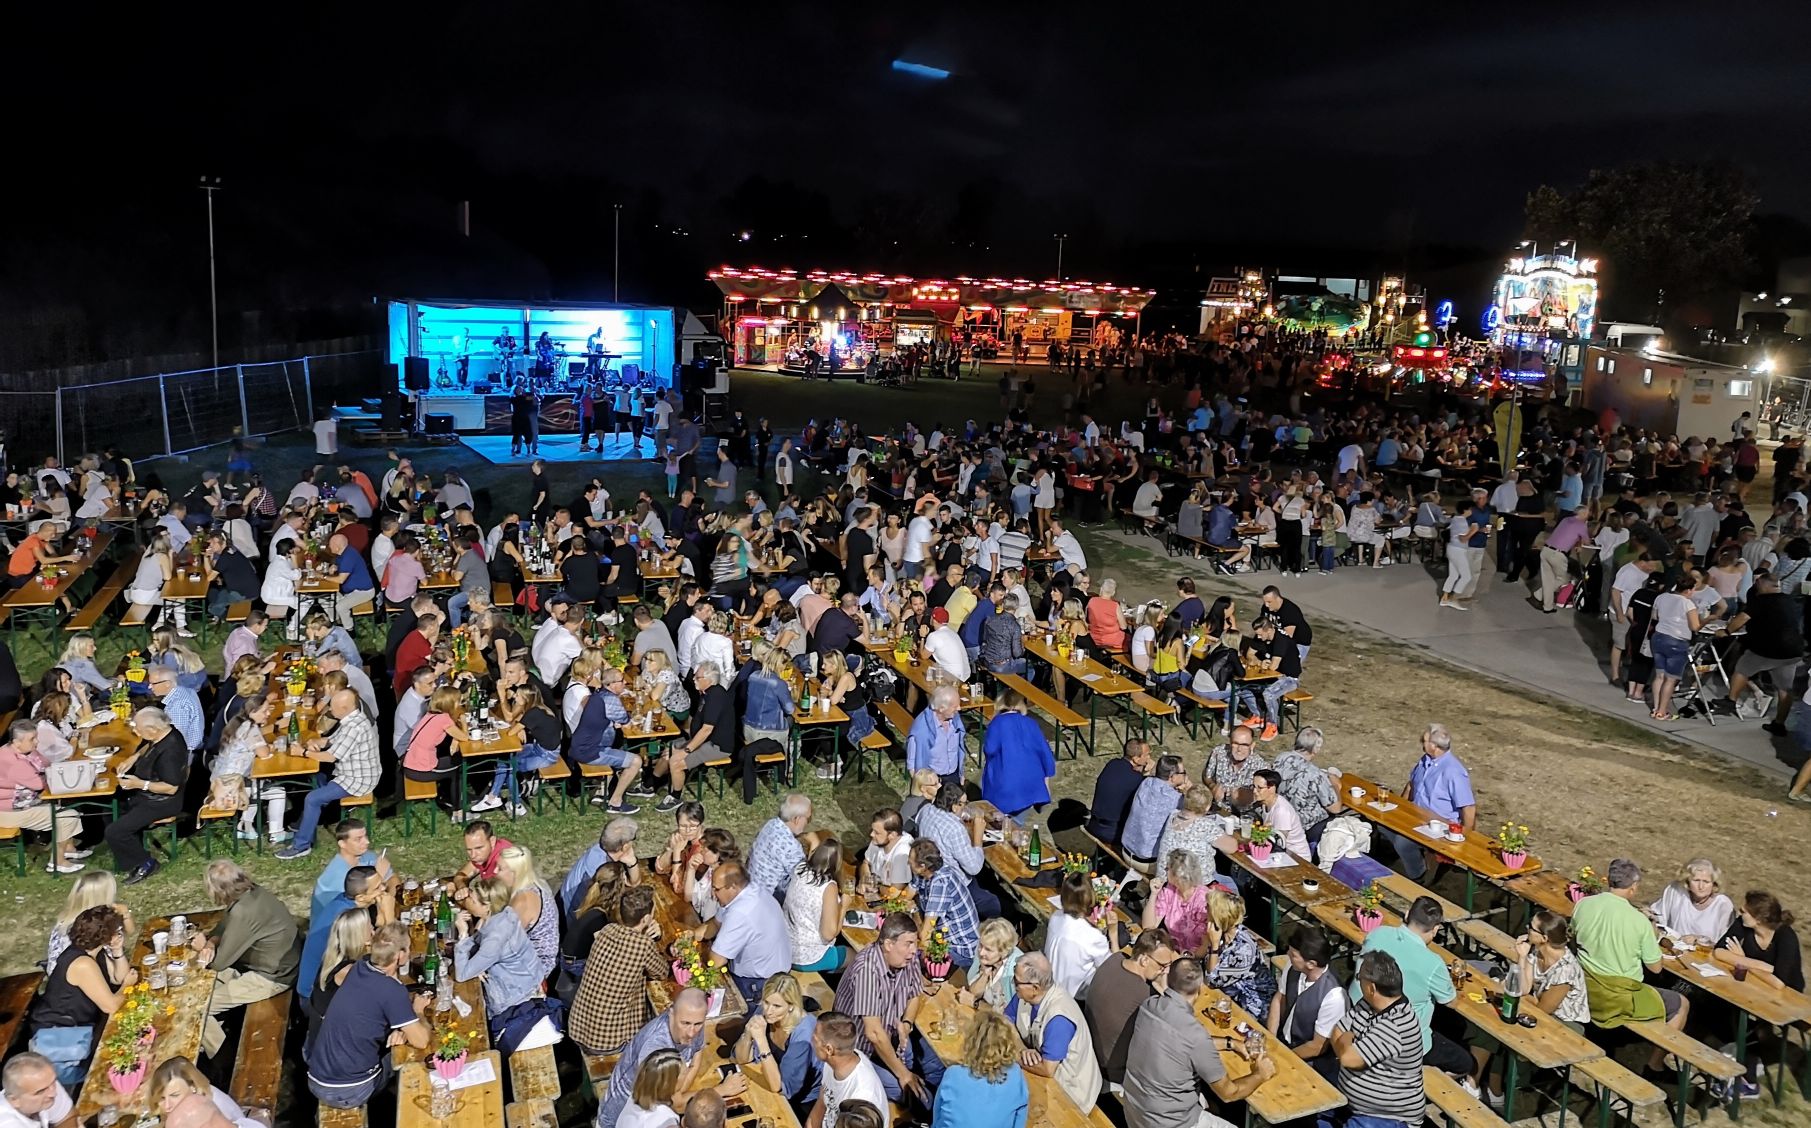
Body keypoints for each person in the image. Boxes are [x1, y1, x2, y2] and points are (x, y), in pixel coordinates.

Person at [1122, 958, 1277, 1128]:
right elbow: (1229, 1093)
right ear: (1200, 988)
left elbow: (1185, 1043)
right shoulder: (1195, 1035)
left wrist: (1230, 1042)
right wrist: (1260, 1074)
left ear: (1168, 979)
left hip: (1135, 1109)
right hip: (1170, 1123)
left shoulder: (1150, 1006)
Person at [306, 923, 428, 1107]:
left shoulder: (360, 966)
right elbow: (421, 1041)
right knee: (408, 1057)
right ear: (400, 955)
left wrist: (400, 1027)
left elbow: (373, 1004)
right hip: (351, 1090)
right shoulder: (391, 991)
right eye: (408, 947)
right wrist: (418, 1011)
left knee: (397, 1038)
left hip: (317, 1078)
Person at [831, 914, 944, 1107]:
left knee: (937, 1069)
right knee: (914, 1096)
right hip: (857, 1051)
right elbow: (873, 1033)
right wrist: (904, 1075)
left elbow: (915, 994)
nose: (913, 950)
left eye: (914, 943)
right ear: (889, 944)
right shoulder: (867, 970)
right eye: (908, 944)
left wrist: (907, 1023)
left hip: (891, 1035)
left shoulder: (907, 959)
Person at [1348, 895, 1468, 1076]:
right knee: (1465, 1063)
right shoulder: (1433, 963)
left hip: (1358, 1019)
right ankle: (1418, 1080)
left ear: (1406, 915)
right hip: (1405, 1044)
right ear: (1435, 930)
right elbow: (1450, 1002)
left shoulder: (1377, 933)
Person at [192, 861, 303, 1057]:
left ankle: (222, 1059)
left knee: (199, 1007)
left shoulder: (243, 912)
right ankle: (214, 1035)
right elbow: (225, 925)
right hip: (279, 963)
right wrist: (211, 942)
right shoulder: (251, 893)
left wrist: (202, 947)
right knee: (202, 988)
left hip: (273, 977)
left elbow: (219, 963)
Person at [599, 989, 746, 1128]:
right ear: (671, 1014)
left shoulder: (691, 1023)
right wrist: (720, 1091)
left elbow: (696, 1058)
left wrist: (681, 1091)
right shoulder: (656, 1049)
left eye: (698, 1024)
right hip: (620, 1118)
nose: (691, 1032)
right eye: (686, 1023)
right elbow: (676, 1103)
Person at [27, 906, 135, 1086]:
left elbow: (118, 976)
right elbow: (111, 1006)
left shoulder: (92, 952)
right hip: (61, 1037)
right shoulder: (82, 964)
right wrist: (126, 987)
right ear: (105, 936)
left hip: (80, 1027)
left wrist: (117, 951)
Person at [1713, 890, 1803, 1097]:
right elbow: (1719, 951)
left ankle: (1748, 1080)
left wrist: (1742, 960)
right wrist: (1758, 965)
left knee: (1748, 1023)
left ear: (1759, 919)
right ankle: (1741, 1063)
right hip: (1755, 986)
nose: (1740, 912)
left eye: (1744, 911)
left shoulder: (1785, 937)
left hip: (1787, 996)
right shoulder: (1743, 924)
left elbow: (1779, 982)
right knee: (1725, 1009)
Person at [274, 689, 382, 859]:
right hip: (353, 772)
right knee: (317, 779)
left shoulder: (353, 728)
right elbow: (333, 741)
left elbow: (330, 757)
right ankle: (303, 824)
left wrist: (302, 753)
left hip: (357, 779)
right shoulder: (353, 718)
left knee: (312, 798)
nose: (329, 710)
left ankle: (301, 845)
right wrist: (316, 741)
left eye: (332, 707)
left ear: (344, 708)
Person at [1329, 950, 1426, 1127]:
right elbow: (1335, 1031)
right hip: (1352, 1104)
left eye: (1359, 978)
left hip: (1387, 1117)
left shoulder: (1396, 1024)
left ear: (1371, 988)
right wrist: (1347, 1045)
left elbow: (1348, 1059)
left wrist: (1347, 1039)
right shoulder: (1368, 1004)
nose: (1357, 981)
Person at [569, 885, 670, 1054]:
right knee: (658, 1029)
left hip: (578, 1027)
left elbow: (626, 948)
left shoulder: (607, 930)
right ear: (645, 919)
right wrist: (656, 939)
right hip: (609, 1041)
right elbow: (661, 972)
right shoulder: (643, 945)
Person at [105, 706, 190, 884]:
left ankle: (145, 862)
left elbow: (171, 787)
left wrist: (139, 784)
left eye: (139, 729)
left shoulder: (171, 752)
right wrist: (134, 757)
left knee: (115, 831)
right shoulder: (166, 732)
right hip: (147, 794)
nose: (135, 732)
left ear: (153, 729)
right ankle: (134, 845)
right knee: (108, 808)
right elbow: (149, 745)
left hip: (161, 801)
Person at [1384, 724, 1474, 881]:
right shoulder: (1425, 760)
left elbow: (1468, 806)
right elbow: (1412, 783)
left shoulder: (1454, 772)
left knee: (1402, 843)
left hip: (1438, 825)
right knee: (1382, 823)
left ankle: (1418, 875)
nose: (1421, 742)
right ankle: (1415, 858)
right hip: (1415, 815)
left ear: (1434, 746)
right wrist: (1399, 807)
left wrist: (1465, 835)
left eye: (1423, 740)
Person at [693, 860, 792, 1003]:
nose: (713, 894)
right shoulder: (748, 891)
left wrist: (693, 955)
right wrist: (692, 936)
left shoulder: (741, 912)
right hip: (771, 971)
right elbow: (715, 923)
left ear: (733, 887)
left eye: (716, 889)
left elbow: (716, 961)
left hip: (760, 983)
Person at [453, 874, 545, 1027]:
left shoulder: (495, 939)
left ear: (487, 907)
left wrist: (463, 935)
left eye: (473, 901)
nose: (468, 902)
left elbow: (462, 975)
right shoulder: (505, 912)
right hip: (528, 979)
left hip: (513, 998)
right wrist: (480, 962)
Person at [0, 720, 86, 874]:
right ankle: (57, 862)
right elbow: (41, 784)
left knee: (68, 803)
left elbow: (46, 763)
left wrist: (43, 765)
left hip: (23, 804)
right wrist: (50, 773)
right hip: (9, 812)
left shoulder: (22, 751)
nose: (37, 742)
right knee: (68, 817)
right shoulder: (12, 763)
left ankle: (68, 848)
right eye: (32, 739)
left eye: (36, 737)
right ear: (16, 742)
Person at [1264, 929, 1345, 1081]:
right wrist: (1271, 1038)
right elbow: (1279, 999)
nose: (1288, 954)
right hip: (1283, 1042)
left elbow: (1317, 1046)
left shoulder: (1334, 996)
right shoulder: (1293, 967)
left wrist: (1284, 1058)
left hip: (1310, 1061)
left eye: (1293, 955)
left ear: (1311, 964)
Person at [930, 1008, 1029, 1128]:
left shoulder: (952, 1075)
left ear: (971, 1042)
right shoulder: (1016, 1075)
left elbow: (937, 1119)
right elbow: (1019, 1121)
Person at [737, 973, 821, 1104]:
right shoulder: (764, 1012)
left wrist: (761, 1041)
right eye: (766, 1002)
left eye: (777, 1006)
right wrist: (748, 1033)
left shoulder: (803, 1034)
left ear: (791, 1006)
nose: (769, 1011)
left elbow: (781, 1087)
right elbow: (742, 1059)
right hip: (771, 1076)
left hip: (801, 1099)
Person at [805, 1010, 892, 1128]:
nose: (811, 1041)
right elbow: (821, 1104)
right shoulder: (836, 1061)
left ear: (829, 1049)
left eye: (815, 1039)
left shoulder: (863, 1097)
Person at [1044, 871, 1113, 1000]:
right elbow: (1110, 967)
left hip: (1049, 984)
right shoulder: (1093, 937)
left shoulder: (1056, 917)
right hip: (1073, 996)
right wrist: (1113, 933)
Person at [46, 872, 132, 970]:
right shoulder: (92, 926)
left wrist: (125, 914)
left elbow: (129, 930)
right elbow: (114, 972)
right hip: (81, 977)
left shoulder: (65, 920)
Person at [786, 839, 847, 972]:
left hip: (786, 946)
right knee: (857, 957)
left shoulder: (800, 869)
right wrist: (844, 907)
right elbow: (829, 934)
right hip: (808, 957)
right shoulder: (828, 887)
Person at [1122, 754, 1190, 872]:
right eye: (1183, 773)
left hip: (1126, 850)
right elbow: (1193, 814)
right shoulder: (1176, 799)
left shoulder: (1146, 783)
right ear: (1172, 777)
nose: (1185, 775)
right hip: (1146, 861)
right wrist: (1188, 791)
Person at [1650, 858, 1736, 944]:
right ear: (1687, 881)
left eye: (1706, 882)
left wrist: (1699, 939)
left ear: (1714, 883)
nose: (1701, 886)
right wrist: (1650, 916)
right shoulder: (1676, 891)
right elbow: (1659, 915)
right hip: (1672, 948)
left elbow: (1725, 942)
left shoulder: (1723, 905)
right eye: (1696, 880)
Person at [1087, 738, 1153, 847]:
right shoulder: (1136, 780)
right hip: (1112, 832)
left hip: (1094, 824)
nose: (1149, 758)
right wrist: (1147, 774)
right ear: (1136, 759)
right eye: (1147, 755)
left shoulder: (1112, 764)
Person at [747, 793, 812, 898]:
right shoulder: (790, 846)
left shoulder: (771, 824)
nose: (808, 823)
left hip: (751, 884)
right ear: (796, 819)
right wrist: (815, 845)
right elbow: (806, 878)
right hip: (768, 898)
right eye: (808, 819)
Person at [905, 685, 967, 788]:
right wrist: (923, 788)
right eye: (955, 706)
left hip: (953, 776)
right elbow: (912, 765)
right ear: (941, 708)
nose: (959, 709)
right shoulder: (921, 729)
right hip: (933, 782)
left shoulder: (955, 719)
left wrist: (961, 774)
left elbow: (959, 749)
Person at [958, 918, 1024, 1013]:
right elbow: (973, 993)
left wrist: (974, 1003)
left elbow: (1008, 1014)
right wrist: (984, 974)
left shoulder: (1015, 971)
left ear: (1003, 952)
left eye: (988, 949)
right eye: (981, 945)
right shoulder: (986, 958)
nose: (981, 952)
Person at [0, 1053, 74, 1128]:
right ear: (14, 1100)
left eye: (53, 1082)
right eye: (41, 1091)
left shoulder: (45, 1081)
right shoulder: (7, 1123)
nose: (53, 1093)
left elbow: (68, 1117)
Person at [617, 1046, 684, 1128]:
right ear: (669, 1083)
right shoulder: (666, 1120)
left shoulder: (635, 1097)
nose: (687, 1073)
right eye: (684, 1074)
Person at [1251, 768, 1310, 858]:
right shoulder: (1264, 803)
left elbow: (1279, 842)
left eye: (1259, 788)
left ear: (1271, 788)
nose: (1254, 791)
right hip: (1279, 853)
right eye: (1254, 787)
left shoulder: (1281, 811)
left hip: (1295, 857)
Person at [859, 809, 914, 889]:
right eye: (872, 830)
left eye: (877, 832)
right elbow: (866, 863)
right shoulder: (878, 840)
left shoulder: (902, 854)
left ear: (892, 835)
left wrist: (873, 886)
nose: (871, 834)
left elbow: (895, 890)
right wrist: (865, 879)